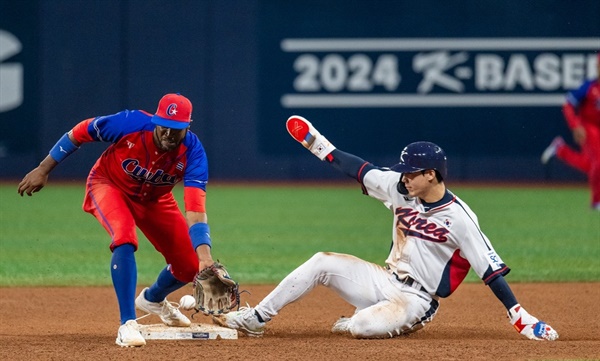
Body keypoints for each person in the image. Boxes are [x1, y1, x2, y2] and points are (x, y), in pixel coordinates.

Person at [213, 115, 559, 341]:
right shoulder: (399, 187)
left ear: (431, 176)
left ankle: (371, 318)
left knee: (360, 327)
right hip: (384, 278)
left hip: (417, 299)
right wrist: (316, 143)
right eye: (404, 172)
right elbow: (358, 169)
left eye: (411, 172)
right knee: (322, 261)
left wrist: (522, 319)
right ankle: (256, 318)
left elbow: (491, 273)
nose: (403, 177)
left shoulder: (460, 219)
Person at [18, 93, 218, 347]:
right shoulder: (129, 123)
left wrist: (205, 255)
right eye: (164, 126)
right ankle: (128, 323)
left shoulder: (193, 152)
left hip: (155, 200)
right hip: (108, 185)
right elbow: (80, 131)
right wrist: (44, 168)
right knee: (124, 238)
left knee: (189, 266)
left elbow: (195, 208)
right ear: (156, 120)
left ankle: (153, 299)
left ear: (187, 127)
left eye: (176, 129)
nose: (168, 134)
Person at [541, 52, 600, 210]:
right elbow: (568, 104)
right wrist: (575, 125)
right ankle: (596, 202)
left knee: (592, 165)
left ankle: (560, 150)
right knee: (598, 163)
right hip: (589, 127)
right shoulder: (590, 86)